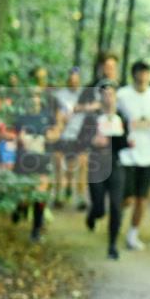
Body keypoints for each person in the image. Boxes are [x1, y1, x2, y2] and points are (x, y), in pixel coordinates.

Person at [116, 61, 150, 251]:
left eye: (146, 73)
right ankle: (117, 219)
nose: (143, 77)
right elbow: (111, 117)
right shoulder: (122, 95)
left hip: (149, 153)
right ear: (134, 75)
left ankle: (133, 234)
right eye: (140, 73)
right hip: (128, 154)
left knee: (142, 198)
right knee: (127, 198)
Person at [80, 80, 129, 260]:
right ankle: (93, 215)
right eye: (105, 94)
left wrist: (125, 141)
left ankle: (112, 245)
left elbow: (126, 141)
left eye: (111, 94)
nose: (108, 97)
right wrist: (92, 141)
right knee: (99, 207)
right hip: (97, 165)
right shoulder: (92, 117)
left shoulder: (122, 117)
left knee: (116, 206)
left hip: (116, 164)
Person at [12, 88, 63, 241]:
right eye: (31, 95)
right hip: (24, 159)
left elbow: (56, 132)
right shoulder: (20, 116)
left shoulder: (47, 115)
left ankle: (36, 230)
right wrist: (21, 138)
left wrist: (50, 136)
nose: (34, 99)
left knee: (40, 192)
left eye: (37, 95)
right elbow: (12, 135)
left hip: (42, 158)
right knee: (25, 195)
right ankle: (20, 208)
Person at [52, 67, 88, 210]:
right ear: (68, 80)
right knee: (60, 164)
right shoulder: (59, 95)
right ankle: (59, 194)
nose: (74, 82)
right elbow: (54, 114)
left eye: (76, 79)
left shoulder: (85, 95)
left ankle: (80, 197)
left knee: (81, 165)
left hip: (79, 136)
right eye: (71, 79)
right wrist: (60, 120)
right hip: (62, 135)